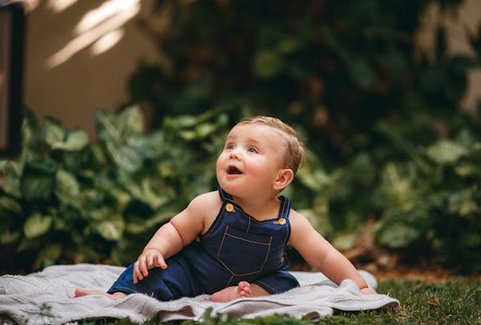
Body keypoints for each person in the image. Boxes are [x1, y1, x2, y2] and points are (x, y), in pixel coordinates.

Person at [74, 116, 376, 302]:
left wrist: (359, 286)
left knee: (285, 281)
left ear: (280, 178)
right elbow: (176, 229)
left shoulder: (290, 222)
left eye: (252, 149)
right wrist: (154, 251)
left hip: (257, 276)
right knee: (154, 273)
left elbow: (324, 255)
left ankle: (244, 294)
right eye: (230, 146)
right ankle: (115, 297)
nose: (234, 154)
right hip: (194, 274)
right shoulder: (210, 205)